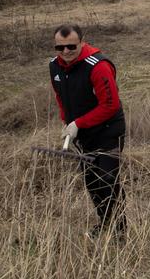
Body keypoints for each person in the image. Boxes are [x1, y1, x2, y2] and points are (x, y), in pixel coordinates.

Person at [49, 24, 126, 237]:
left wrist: (78, 124)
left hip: (108, 129)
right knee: (91, 180)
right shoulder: (54, 66)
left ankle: (120, 230)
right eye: (60, 47)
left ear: (81, 43)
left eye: (71, 47)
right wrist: (67, 121)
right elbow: (61, 96)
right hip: (82, 133)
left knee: (108, 179)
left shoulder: (98, 66)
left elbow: (110, 105)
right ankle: (105, 223)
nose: (66, 52)